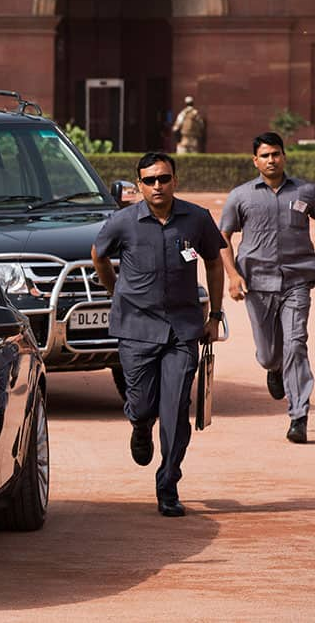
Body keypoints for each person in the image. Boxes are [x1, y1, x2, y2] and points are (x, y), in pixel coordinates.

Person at [91, 151, 225, 517]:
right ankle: (139, 425)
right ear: (139, 185)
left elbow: (214, 262)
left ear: (175, 181)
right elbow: (98, 255)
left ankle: (168, 484)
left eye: (163, 178)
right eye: (149, 180)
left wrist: (215, 314)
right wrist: (115, 291)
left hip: (182, 330)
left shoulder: (196, 220)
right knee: (144, 404)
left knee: (176, 408)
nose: (157, 186)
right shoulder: (123, 222)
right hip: (135, 329)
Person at [219, 132, 315, 444]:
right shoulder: (241, 196)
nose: (271, 160)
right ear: (255, 161)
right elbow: (222, 238)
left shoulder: (306, 191)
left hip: (297, 279)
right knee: (267, 354)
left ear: (284, 156)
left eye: (276, 154)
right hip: (257, 283)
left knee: (296, 343)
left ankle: (298, 415)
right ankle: (273, 369)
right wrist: (232, 276)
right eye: (265, 155)